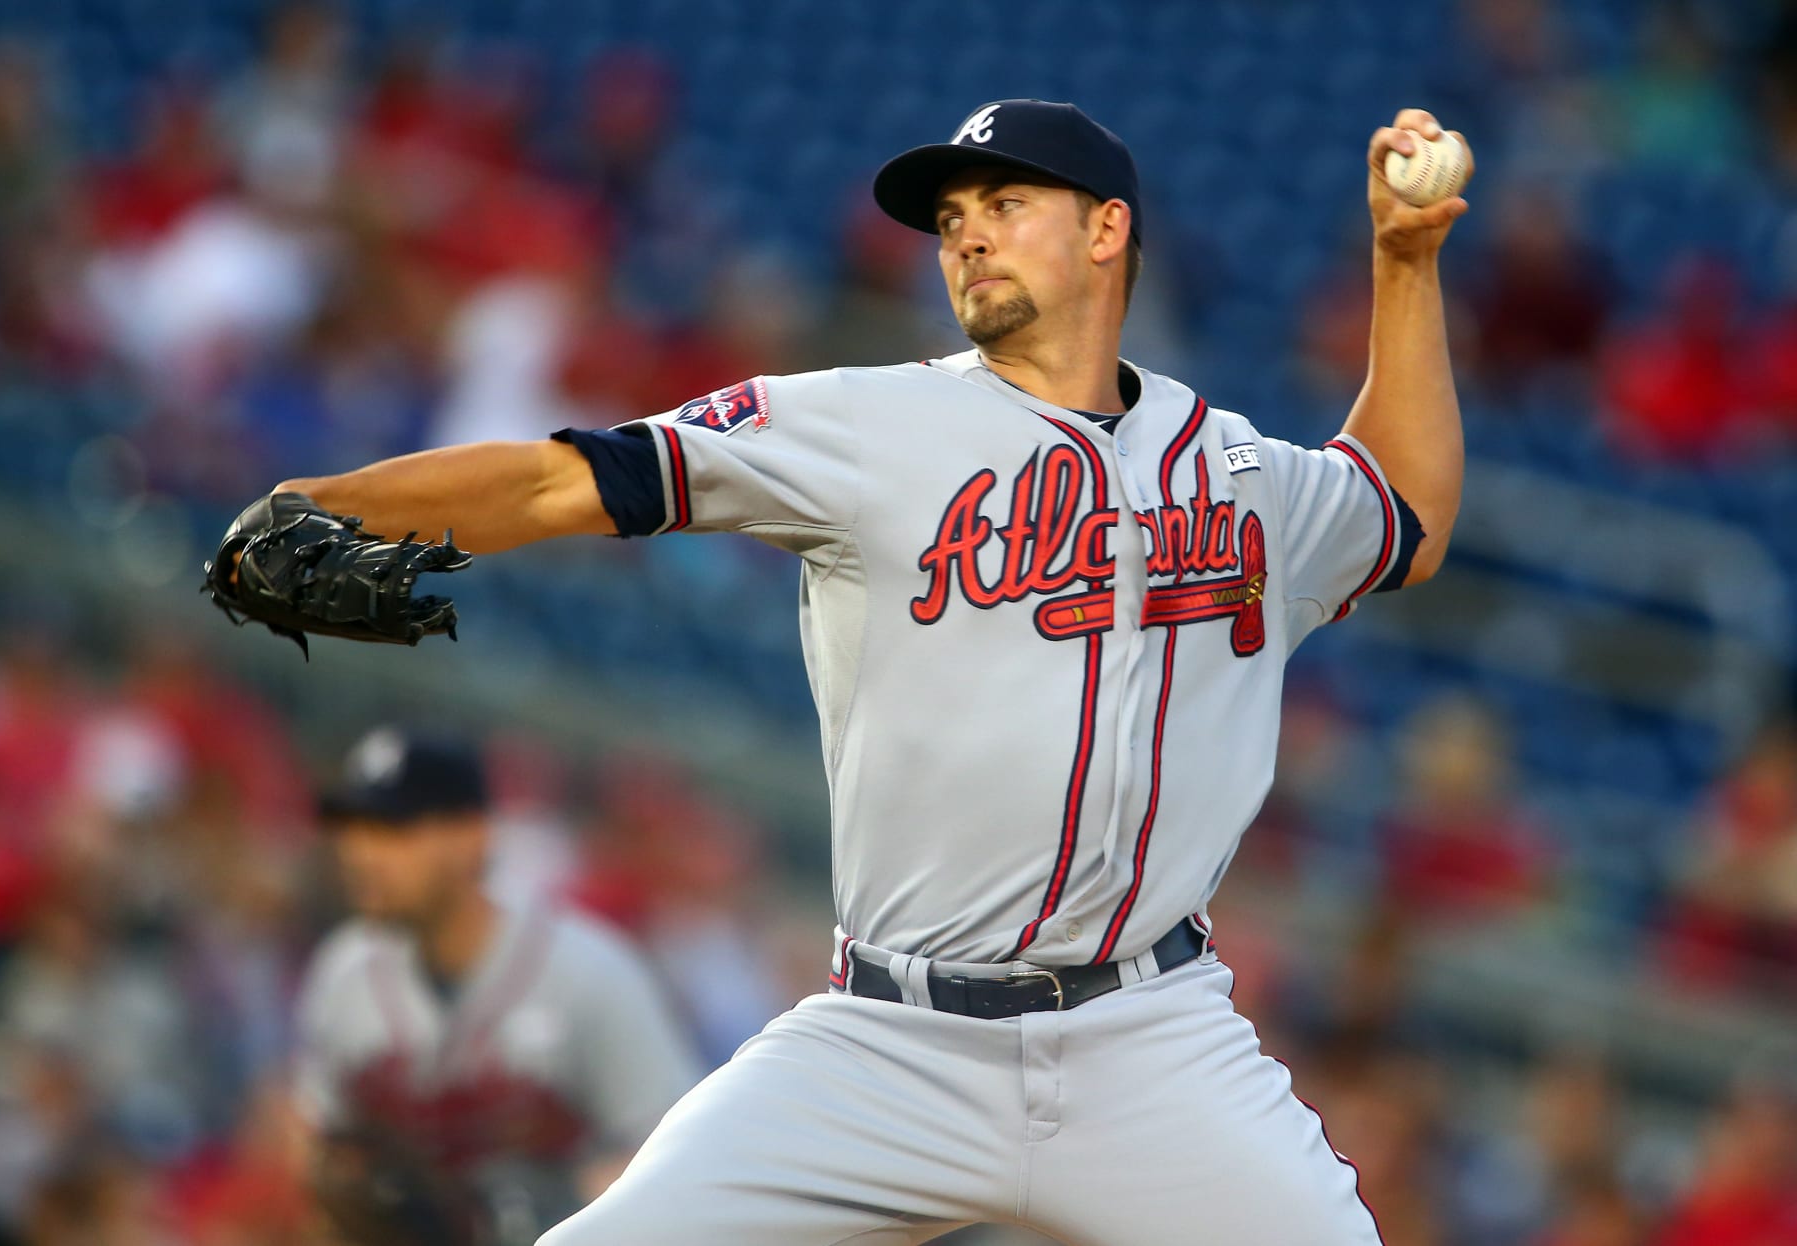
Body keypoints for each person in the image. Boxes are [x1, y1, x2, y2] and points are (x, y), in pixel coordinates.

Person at [251, 100, 1470, 1243]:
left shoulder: (1239, 473)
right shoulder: (855, 425)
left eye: (1005, 203)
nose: (968, 235)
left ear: (1109, 231)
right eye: (951, 220)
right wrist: (326, 509)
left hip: (1148, 1034)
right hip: (893, 1042)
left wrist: (1404, 264)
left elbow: (1403, 509)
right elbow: (559, 478)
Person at [290, 727, 701, 1245]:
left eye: (395, 828)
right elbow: (317, 1140)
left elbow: (675, 1157)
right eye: (354, 827)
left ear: (473, 836)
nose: (362, 853)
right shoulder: (342, 972)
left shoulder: (593, 970)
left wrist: (571, 1202)